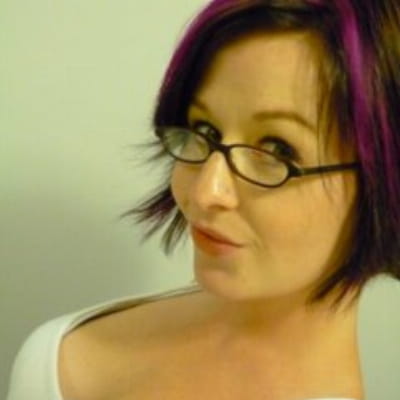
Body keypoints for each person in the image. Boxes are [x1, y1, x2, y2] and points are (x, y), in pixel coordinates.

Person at [6, 1, 400, 399]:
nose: (206, 192)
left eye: (277, 149)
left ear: (385, 181)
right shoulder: (58, 358)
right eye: (205, 130)